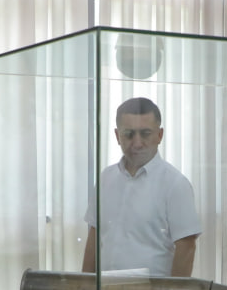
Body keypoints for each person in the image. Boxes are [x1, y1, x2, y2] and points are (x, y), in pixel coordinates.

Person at [81, 97, 200, 277]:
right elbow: (94, 238)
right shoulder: (106, 178)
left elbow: (187, 248)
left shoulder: (175, 184)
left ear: (159, 135)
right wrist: (84, 289)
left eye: (145, 133)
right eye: (129, 134)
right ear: (117, 136)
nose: (137, 143)